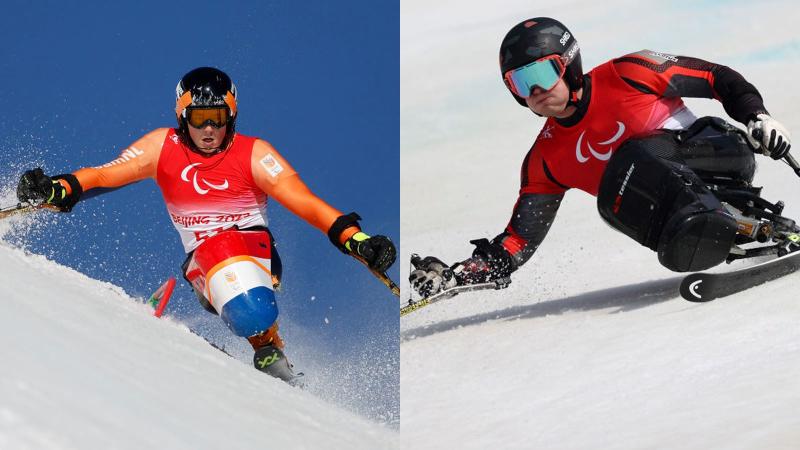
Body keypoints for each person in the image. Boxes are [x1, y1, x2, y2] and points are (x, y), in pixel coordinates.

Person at [16, 67, 396, 382]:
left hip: (254, 253)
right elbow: (104, 175)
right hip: (202, 266)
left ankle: (268, 348)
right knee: (221, 267)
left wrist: (358, 240)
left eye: (218, 117)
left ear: (231, 116)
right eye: (200, 118)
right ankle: (267, 347)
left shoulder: (253, 153)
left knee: (247, 298)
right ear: (183, 116)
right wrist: (58, 188)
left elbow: (307, 204)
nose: (210, 128)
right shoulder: (161, 147)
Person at [410, 17, 793, 298]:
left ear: (568, 64)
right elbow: (517, 242)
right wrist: (456, 276)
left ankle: (753, 220)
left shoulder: (630, 72)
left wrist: (757, 117)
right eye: (521, 83)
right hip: (675, 213)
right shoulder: (545, 159)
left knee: (632, 159)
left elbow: (717, 77)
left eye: (543, 73)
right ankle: (741, 236)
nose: (537, 90)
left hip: (718, 154)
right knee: (613, 200)